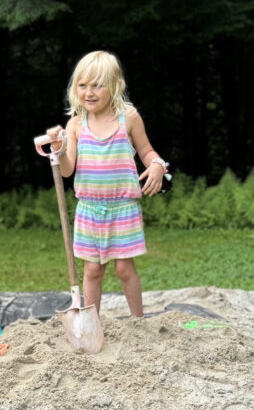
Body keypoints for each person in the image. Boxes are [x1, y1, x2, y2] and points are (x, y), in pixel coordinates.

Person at [43, 51, 171, 317]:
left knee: (124, 269)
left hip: (123, 208)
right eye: (83, 85)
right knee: (92, 270)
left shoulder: (129, 118)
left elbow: (147, 152)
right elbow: (67, 170)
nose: (89, 92)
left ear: (116, 86)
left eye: (97, 85)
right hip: (89, 210)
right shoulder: (76, 124)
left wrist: (158, 166)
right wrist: (58, 148)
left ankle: (138, 321)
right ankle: (92, 322)